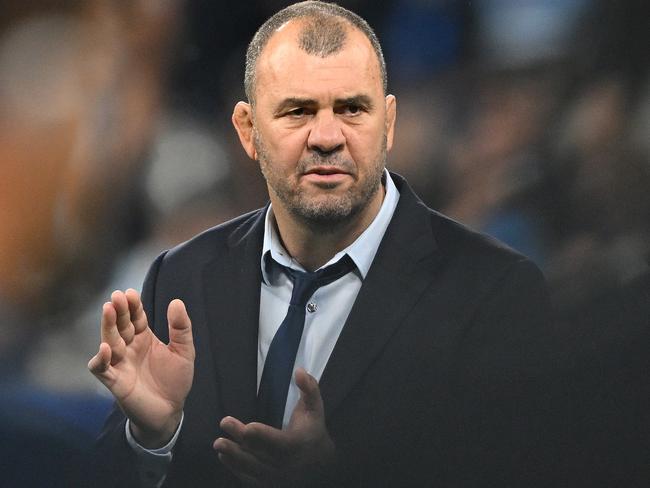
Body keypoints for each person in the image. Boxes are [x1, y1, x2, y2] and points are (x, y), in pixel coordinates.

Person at [89, 2, 565, 486]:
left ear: (390, 122)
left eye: (352, 109)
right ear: (248, 131)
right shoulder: (182, 278)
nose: (327, 137)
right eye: (298, 111)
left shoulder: (494, 292)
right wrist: (154, 437)